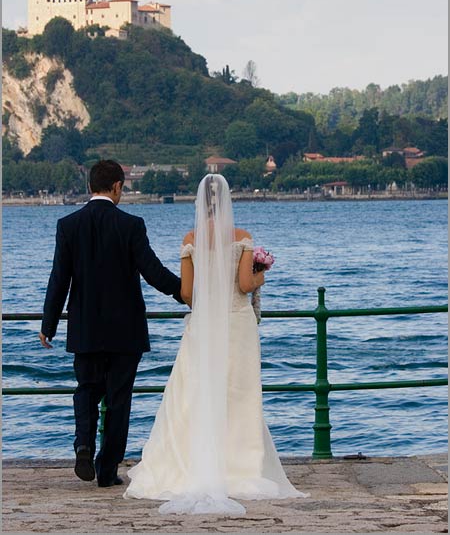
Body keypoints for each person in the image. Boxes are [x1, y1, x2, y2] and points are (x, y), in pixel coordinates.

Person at [124, 174, 308, 514]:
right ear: (227, 201)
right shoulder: (242, 238)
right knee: (238, 394)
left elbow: (187, 294)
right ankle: (241, 466)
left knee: (193, 393)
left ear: (198, 203)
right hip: (237, 324)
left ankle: (189, 462)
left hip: (205, 323)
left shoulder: (191, 239)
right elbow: (242, 284)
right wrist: (261, 275)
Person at [39, 160, 184, 488]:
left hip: (85, 328)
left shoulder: (68, 225)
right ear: (117, 186)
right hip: (125, 331)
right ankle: (107, 471)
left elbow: (59, 278)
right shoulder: (131, 225)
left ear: (91, 185)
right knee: (119, 401)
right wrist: (185, 292)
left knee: (86, 391)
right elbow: (153, 271)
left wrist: (49, 323)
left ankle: (83, 445)